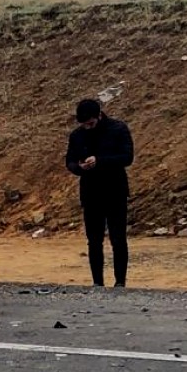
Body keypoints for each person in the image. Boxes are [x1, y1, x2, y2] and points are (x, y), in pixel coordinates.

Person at [65, 99, 134, 287]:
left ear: (99, 116)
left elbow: (127, 157)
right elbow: (69, 161)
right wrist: (79, 167)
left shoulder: (118, 129)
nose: (87, 127)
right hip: (91, 193)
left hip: (115, 191)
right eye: (84, 124)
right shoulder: (77, 135)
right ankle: (98, 283)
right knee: (94, 241)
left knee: (118, 239)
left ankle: (120, 282)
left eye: (91, 124)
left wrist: (100, 161)